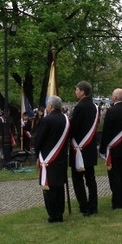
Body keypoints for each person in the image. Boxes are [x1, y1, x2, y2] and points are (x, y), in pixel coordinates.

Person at [34, 95, 70, 224]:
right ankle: (60, 213)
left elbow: (38, 139)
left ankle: (53, 215)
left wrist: (36, 152)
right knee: (59, 187)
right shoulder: (66, 119)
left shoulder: (46, 120)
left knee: (49, 188)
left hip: (48, 158)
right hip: (61, 157)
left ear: (50, 106)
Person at [99, 88, 122, 210]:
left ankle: (117, 202)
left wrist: (103, 149)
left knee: (115, 176)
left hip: (114, 148)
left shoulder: (111, 111)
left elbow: (106, 132)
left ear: (114, 97)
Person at [69, 80, 99, 217]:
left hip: (79, 147)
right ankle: (93, 205)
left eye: (76, 89)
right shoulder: (94, 107)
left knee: (78, 179)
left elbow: (74, 127)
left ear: (82, 91)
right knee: (91, 178)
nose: (75, 92)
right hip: (90, 147)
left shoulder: (80, 107)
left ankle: (84, 206)